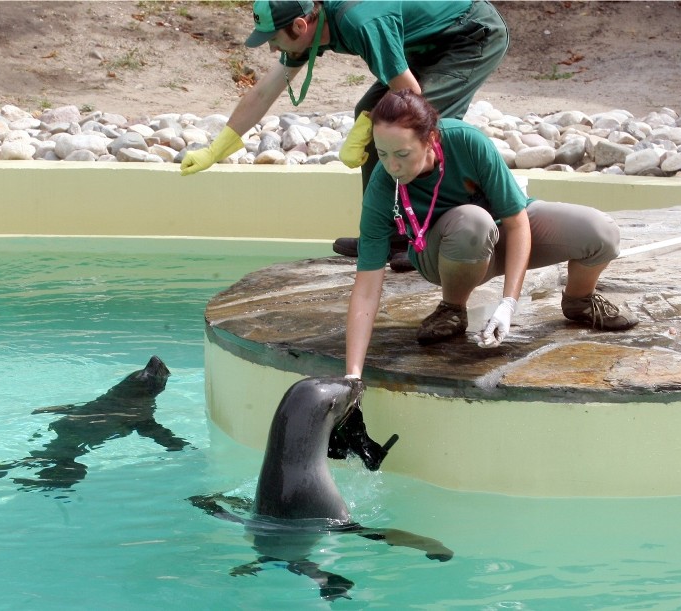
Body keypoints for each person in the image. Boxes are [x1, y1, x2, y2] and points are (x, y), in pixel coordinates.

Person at [178, 0, 510, 268]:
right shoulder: (312, 23)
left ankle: (432, 241)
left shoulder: (359, 20)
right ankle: (388, 236)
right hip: (428, 44)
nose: (271, 48)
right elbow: (265, 91)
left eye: (273, 39)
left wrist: (368, 123)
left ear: (299, 26)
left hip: (469, 34)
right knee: (375, 121)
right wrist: (216, 149)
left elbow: (410, 94)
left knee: (414, 130)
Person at [344, 90, 639, 378]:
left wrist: (508, 304)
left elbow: (516, 219)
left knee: (601, 232)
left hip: (503, 235)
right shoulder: (383, 186)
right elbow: (367, 288)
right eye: (382, 154)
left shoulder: (465, 141)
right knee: (473, 223)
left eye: (402, 153)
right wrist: (352, 376)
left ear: (431, 139)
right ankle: (452, 308)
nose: (392, 166)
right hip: (450, 252)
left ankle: (580, 301)